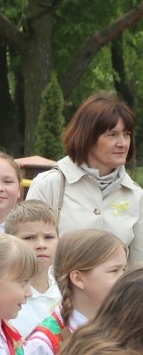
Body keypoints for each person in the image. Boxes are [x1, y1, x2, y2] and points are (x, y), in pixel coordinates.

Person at [26, 92, 143, 264]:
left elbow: (137, 268)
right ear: (87, 137)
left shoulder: (136, 195)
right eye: (112, 135)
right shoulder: (49, 184)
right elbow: (25, 253)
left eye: (126, 134)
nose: (123, 143)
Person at [5, 200, 61, 336]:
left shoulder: (67, 293)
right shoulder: (2, 297)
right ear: (10, 241)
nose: (41, 245)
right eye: (30, 238)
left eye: (48, 237)